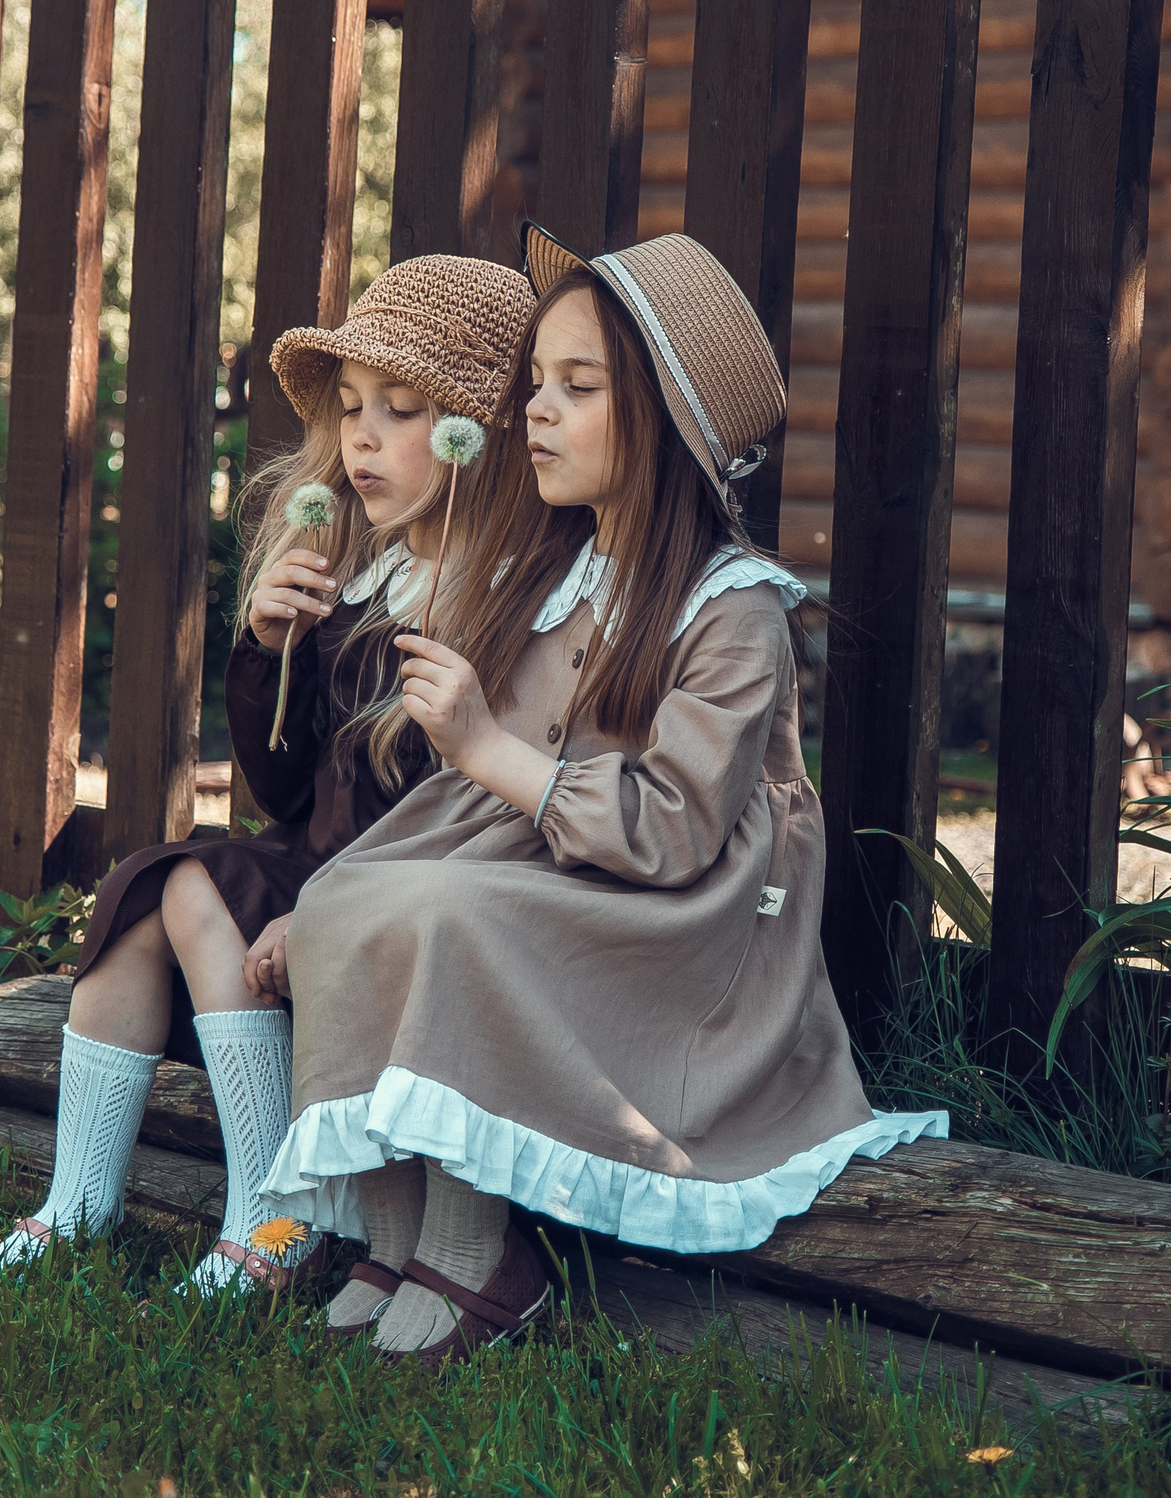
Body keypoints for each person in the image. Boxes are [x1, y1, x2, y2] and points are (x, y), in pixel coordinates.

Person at [261, 225, 948, 1364]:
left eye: (574, 388)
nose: (534, 409)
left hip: (675, 927)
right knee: (345, 900)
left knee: (451, 915)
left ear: (668, 422)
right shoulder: (563, 575)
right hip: (558, 864)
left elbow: (674, 828)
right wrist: (354, 876)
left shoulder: (733, 611)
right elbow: (474, 798)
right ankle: (390, 1243)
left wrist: (482, 742)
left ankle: (476, 1261)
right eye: (535, 383)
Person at [0, 254, 536, 1301]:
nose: (362, 437)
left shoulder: (500, 602)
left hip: (394, 880)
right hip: (322, 857)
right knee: (151, 888)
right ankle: (77, 1203)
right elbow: (285, 790)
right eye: (351, 410)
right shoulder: (362, 575)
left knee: (198, 885)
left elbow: (462, 807)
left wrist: (332, 908)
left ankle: (278, 1214)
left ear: (481, 435)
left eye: (402, 409)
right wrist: (265, 646)